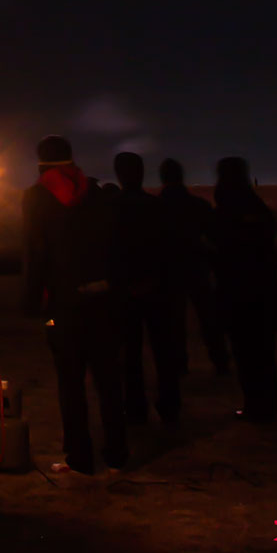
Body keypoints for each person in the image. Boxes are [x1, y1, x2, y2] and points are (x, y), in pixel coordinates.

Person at [22, 134, 127, 476]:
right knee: (109, 379)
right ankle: (117, 454)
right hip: (103, 298)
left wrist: (31, 300)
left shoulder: (37, 197)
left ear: (41, 162)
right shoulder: (97, 192)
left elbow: (36, 253)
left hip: (64, 303)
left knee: (70, 381)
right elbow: (114, 245)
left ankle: (79, 457)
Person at [113, 152, 181, 427]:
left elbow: (110, 250)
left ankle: (135, 408)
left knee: (130, 355)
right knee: (164, 352)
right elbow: (168, 249)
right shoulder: (158, 207)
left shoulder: (112, 208)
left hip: (125, 290)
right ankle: (170, 405)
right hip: (157, 288)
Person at [212, 157, 277, 421]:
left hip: (236, 294)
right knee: (265, 353)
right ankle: (268, 405)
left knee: (244, 354)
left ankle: (254, 405)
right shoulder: (260, 210)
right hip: (264, 292)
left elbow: (217, 252)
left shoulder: (223, 214)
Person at [158, 157, 229, 375]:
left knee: (174, 322)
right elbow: (216, 238)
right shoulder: (199, 206)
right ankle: (220, 360)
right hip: (197, 267)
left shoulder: (157, 209)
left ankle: (179, 365)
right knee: (208, 318)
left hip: (169, 272)